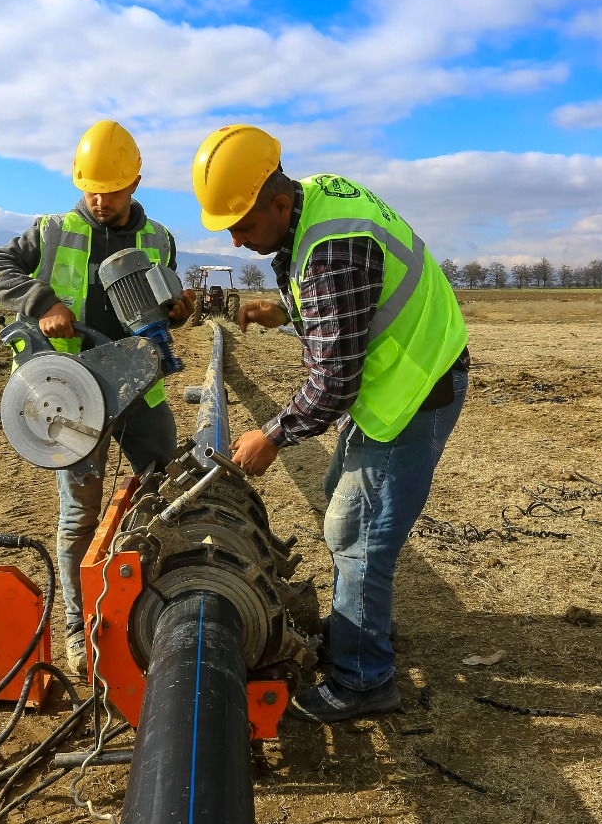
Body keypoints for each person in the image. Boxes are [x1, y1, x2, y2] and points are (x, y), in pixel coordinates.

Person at [190, 124, 470, 722]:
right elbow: (349, 298)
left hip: (414, 388)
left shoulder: (329, 246)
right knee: (339, 499)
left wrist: (272, 434)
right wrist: (286, 309)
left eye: (242, 225)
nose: (238, 242)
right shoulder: (317, 199)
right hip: (398, 380)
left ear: (280, 203)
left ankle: (365, 678)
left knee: (357, 532)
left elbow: (332, 382)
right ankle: (367, 623)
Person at [0, 119, 192, 675]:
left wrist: (179, 310)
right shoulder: (51, 232)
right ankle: (79, 627)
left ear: (136, 183)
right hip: (73, 395)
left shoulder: (159, 239)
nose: (99, 199)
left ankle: (159, 607)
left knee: (167, 494)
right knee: (79, 517)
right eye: (90, 188)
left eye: (112, 189)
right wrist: (40, 299)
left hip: (141, 389)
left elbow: (166, 305)